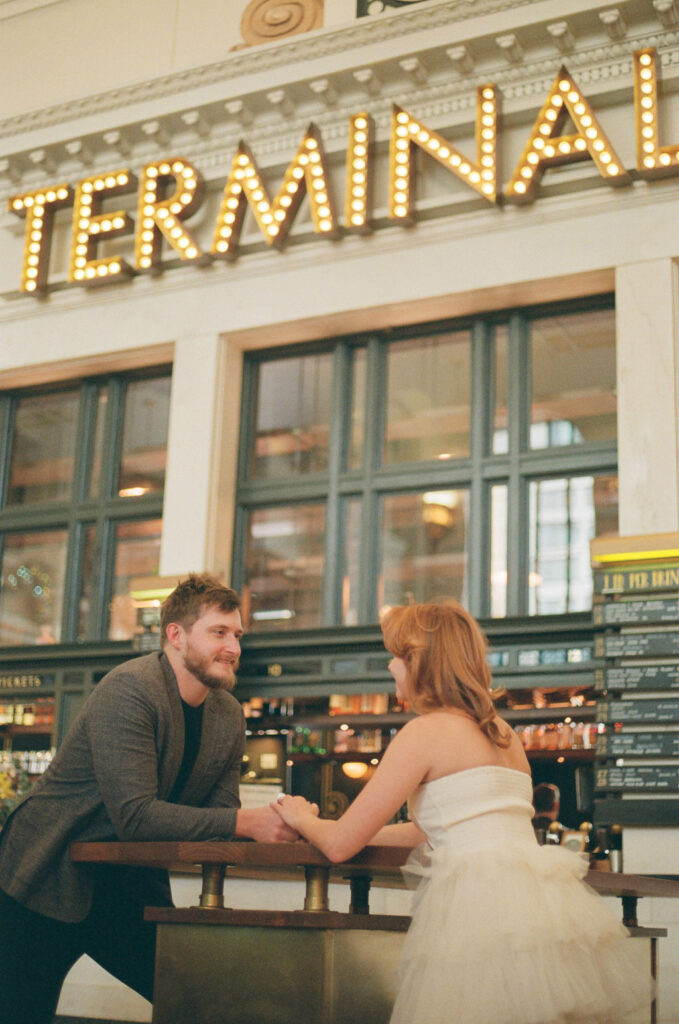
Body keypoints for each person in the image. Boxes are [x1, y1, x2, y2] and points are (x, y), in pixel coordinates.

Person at [273, 600, 648, 1024]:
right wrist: (331, 828)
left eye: (396, 657)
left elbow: (341, 846)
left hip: (478, 911)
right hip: (539, 909)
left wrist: (301, 817)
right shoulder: (505, 734)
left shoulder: (424, 732)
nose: (391, 668)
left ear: (418, 662)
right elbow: (424, 833)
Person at [0, 573, 300, 1024]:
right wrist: (248, 825)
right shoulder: (130, 689)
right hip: (46, 872)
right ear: (175, 636)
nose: (234, 648)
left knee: (195, 1001)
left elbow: (220, 813)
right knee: (20, 1013)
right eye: (219, 632)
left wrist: (270, 821)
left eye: (237, 634)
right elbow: (137, 816)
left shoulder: (227, 713)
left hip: (128, 882)